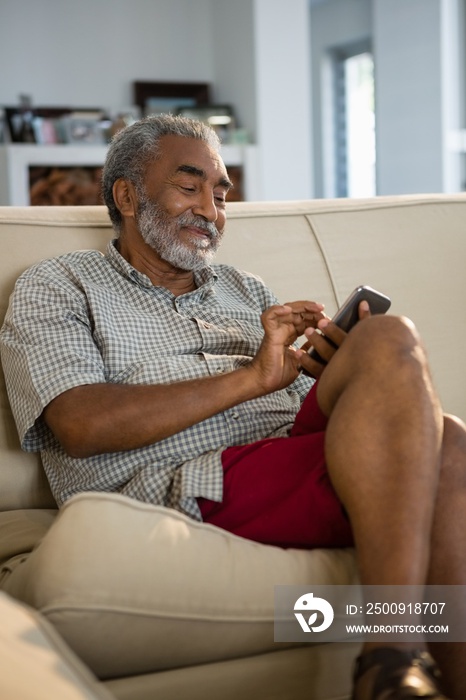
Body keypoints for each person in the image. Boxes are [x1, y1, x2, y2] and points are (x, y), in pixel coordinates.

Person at [1, 114, 466, 700]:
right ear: (126, 195)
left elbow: (294, 401)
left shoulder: (244, 288)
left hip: (282, 450)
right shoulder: (58, 283)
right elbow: (80, 424)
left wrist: (329, 372)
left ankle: (398, 671)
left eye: (220, 195)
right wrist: (252, 378)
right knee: (448, 447)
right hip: (193, 475)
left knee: (387, 339)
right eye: (189, 186)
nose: (211, 210)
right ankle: (390, 658)